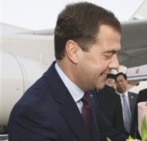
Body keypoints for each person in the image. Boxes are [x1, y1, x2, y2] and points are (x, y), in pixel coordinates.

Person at [7, 2, 128, 141]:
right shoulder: (32, 115)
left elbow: (110, 135)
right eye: (107, 55)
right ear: (73, 51)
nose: (116, 65)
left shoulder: (89, 96)